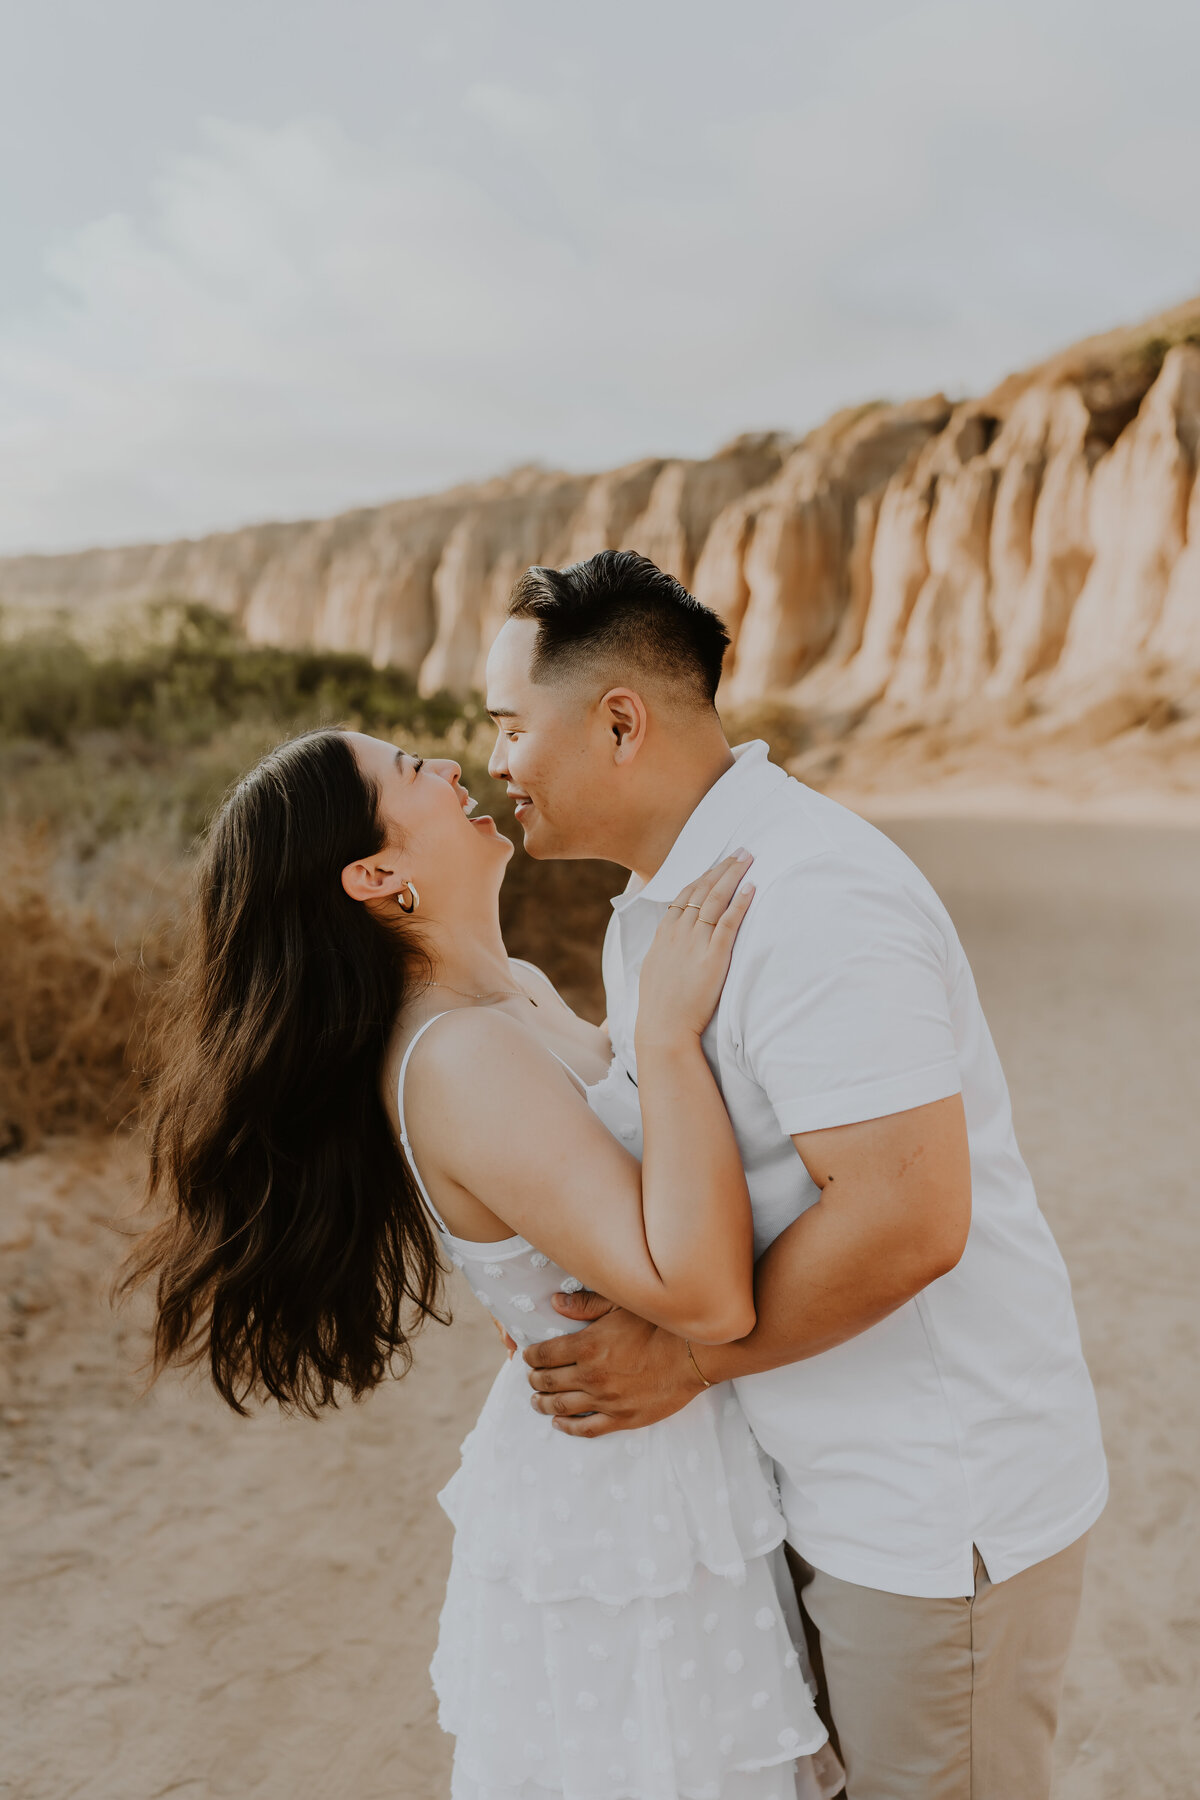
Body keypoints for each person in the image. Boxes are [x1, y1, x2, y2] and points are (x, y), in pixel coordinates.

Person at [484, 549, 1110, 1800]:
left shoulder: (813, 897)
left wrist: (683, 1357)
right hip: (812, 1478)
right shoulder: (655, 903)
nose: (495, 759)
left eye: (509, 724)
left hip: (931, 1507)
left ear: (619, 721)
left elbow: (909, 1215)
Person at [126, 724, 841, 1800]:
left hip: (681, 1462)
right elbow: (699, 1291)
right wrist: (665, 1037)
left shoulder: (514, 990)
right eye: (410, 771)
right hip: (627, 1502)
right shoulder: (456, 1057)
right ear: (376, 875)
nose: (450, 765)